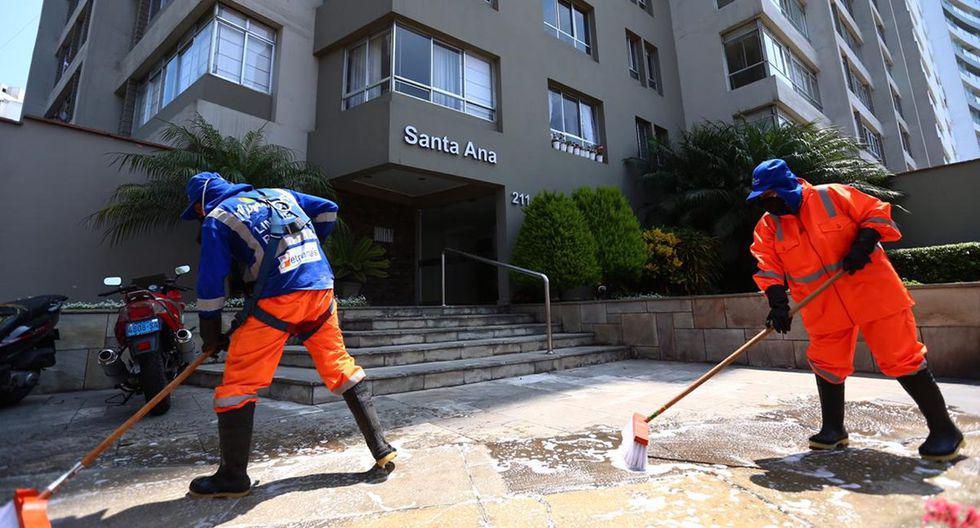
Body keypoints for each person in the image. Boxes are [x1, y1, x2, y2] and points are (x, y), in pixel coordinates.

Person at [180, 173, 397, 498]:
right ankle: (381, 447)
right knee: (339, 365)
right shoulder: (280, 194)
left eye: (195, 210)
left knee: (238, 384)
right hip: (320, 288)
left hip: (278, 299)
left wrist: (210, 332)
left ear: (201, 203)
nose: (197, 216)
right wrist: (308, 248)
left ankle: (232, 477)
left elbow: (211, 281)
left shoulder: (218, 217)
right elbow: (327, 209)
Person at [747, 159, 964, 462]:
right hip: (822, 306)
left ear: (789, 186)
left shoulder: (832, 195)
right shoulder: (769, 226)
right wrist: (777, 302)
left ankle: (944, 430)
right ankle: (833, 430)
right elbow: (767, 264)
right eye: (764, 199)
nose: (770, 204)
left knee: (901, 358)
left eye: (773, 195)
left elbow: (876, 212)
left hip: (874, 294)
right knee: (826, 363)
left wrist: (864, 242)